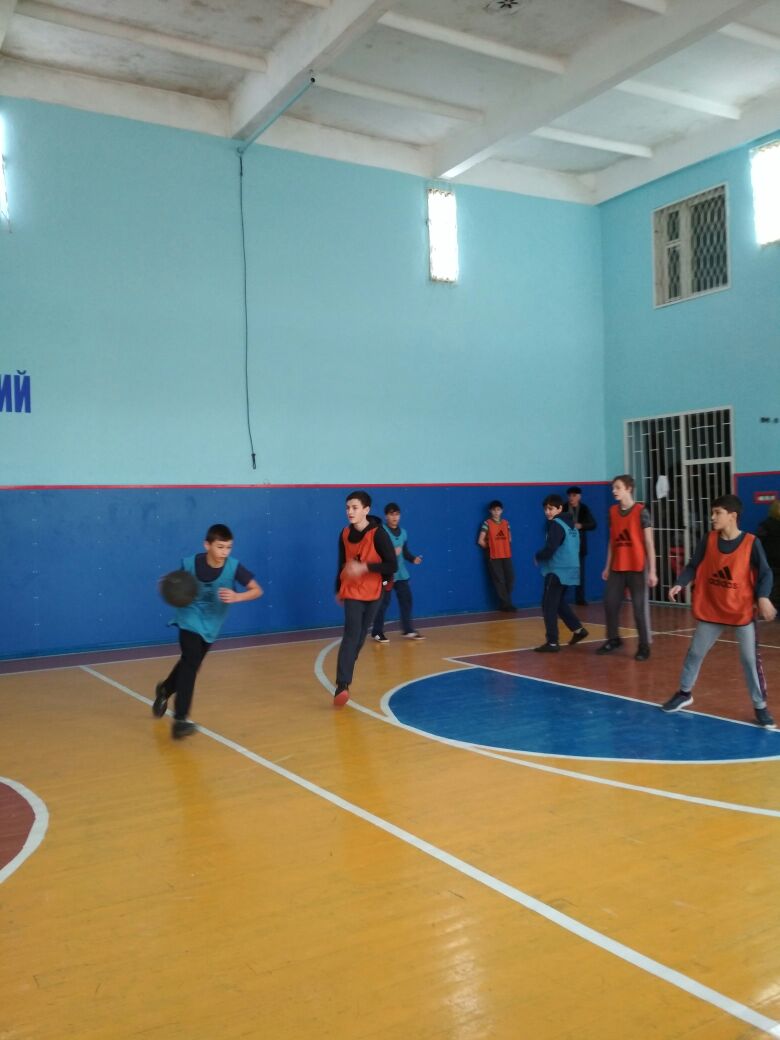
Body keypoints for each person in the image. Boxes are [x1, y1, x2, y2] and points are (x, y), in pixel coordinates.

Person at [661, 494, 777, 728]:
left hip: (740, 611)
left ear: (732, 516)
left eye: (717, 513)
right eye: (712, 512)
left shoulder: (751, 543)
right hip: (713, 609)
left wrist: (763, 597)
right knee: (695, 653)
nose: (712, 517)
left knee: (749, 660)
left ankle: (760, 706)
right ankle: (684, 693)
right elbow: (693, 565)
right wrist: (680, 582)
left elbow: (766, 573)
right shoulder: (708, 539)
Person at [153, 523, 263, 739]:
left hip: (211, 625)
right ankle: (180, 720)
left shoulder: (234, 567)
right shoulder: (190, 564)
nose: (224, 552)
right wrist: (166, 585)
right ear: (207, 545)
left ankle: (165, 689)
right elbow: (174, 583)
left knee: (189, 663)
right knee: (191, 662)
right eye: (220, 547)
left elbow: (257, 590)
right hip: (189, 618)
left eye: (228, 547)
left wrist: (237, 596)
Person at [334, 491, 397, 706]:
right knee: (351, 634)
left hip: (374, 591)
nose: (350, 511)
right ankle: (342, 685)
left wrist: (365, 568)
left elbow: (391, 565)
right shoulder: (344, 533)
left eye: (355, 508)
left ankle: (347, 664)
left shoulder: (378, 534)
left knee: (360, 637)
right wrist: (338, 588)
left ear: (366, 510)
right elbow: (341, 562)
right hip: (352, 590)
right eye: (347, 508)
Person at [596, 474, 658, 660]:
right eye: (613, 488)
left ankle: (644, 645)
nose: (614, 491)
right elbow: (612, 542)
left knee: (639, 609)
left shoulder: (641, 511)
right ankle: (613, 639)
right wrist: (607, 566)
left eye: (618, 487)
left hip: (637, 567)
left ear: (628, 489)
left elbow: (649, 543)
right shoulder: (612, 512)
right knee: (609, 602)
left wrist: (653, 571)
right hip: (617, 567)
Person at [532, 494, 588, 652]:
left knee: (548, 605)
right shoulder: (572, 526)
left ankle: (552, 642)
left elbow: (551, 548)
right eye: (545, 509)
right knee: (558, 602)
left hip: (557, 570)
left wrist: (538, 556)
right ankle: (578, 630)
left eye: (550, 509)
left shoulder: (556, 525)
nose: (547, 512)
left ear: (559, 509)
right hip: (572, 568)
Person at [371, 502, 424, 642]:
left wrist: (413, 559)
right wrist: (391, 552)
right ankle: (377, 632)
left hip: (401, 574)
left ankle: (408, 630)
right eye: (391, 514)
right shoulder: (381, 532)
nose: (395, 517)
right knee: (383, 603)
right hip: (386, 574)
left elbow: (404, 552)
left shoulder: (404, 532)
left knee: (406, 600)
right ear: (386, 516)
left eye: (397, 514)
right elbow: (376, 552)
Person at [477, 500, 517, 612]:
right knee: (499, 580)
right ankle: (507, 604)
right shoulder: (487, 523)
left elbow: (509, 539)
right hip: (494, 556)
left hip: (506, 554)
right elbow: (480, 541)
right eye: (494, 510)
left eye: (498, 510)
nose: (496, 512)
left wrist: (503, 546)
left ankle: (504, 603)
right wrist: (491, 548)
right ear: (490, 511)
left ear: (502, 511)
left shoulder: (506, 523)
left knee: (510, 578)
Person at [566, 486, 597, 605]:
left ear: (579, 497)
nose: (571, 498)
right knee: (563, 572)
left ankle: (580, 598)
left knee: (580, 574)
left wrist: (581, 526)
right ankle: (560, 598)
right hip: (565, 546)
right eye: (569, 495)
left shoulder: (584, 509)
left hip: (579, 546)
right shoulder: (563, 508)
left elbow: (593, 524)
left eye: (574, 495)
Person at [756, 499, 780, 611]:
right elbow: (758, 542)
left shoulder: (765, 525)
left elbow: (759, 540)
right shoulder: (766, 524)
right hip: (771, 561)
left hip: (770, 560)